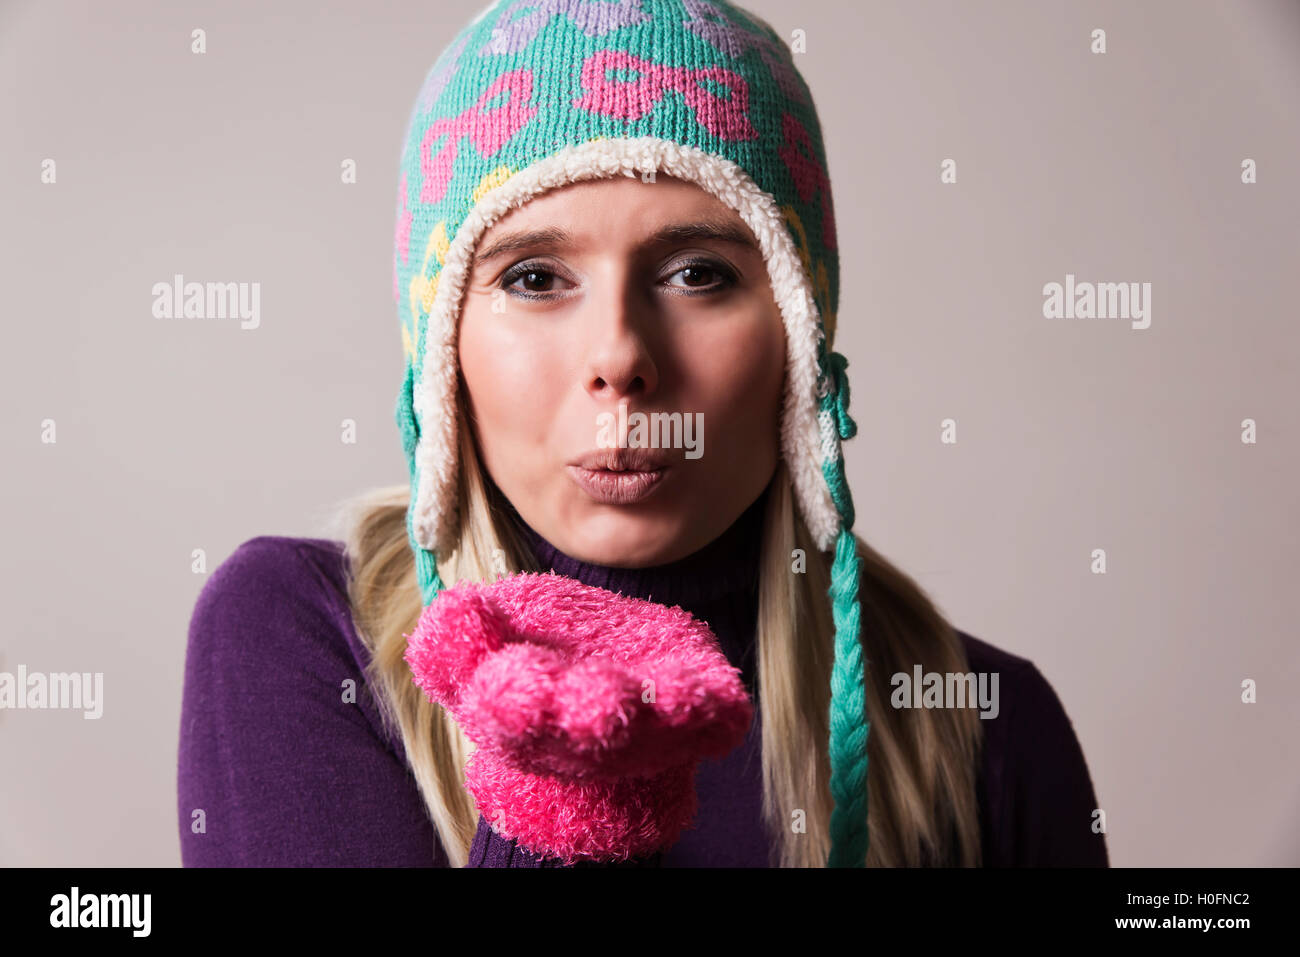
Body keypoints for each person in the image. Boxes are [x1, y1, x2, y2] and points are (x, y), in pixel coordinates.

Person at [177, 0, 1108, 868]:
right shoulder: (303, 635)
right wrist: (558, 802)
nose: (621, 355)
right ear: (442, 350)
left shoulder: (978, 723)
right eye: (535, 278)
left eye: (699, 273)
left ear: (800, 338)